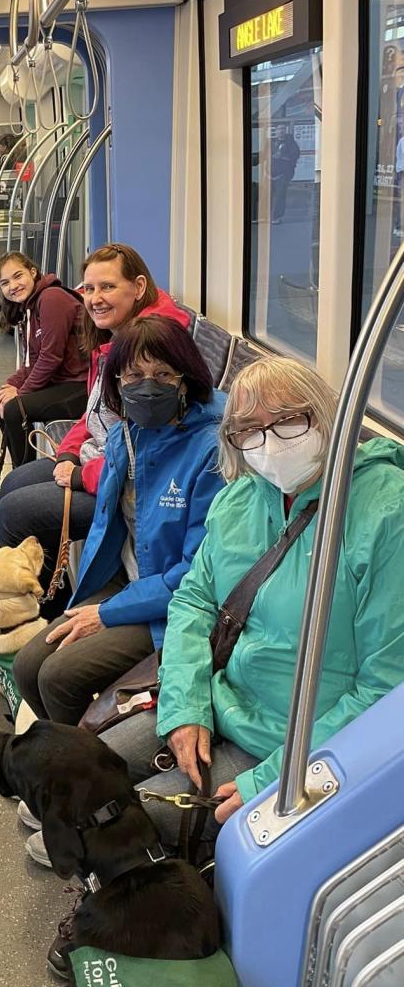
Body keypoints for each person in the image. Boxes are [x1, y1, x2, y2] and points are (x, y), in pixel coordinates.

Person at [102, 356, 404, 847]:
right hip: (220, 696)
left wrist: (273, 782)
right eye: (249, 430)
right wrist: (185, 707)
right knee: (94, 763)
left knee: (119, 826)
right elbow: (194, 602)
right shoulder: (241, 496)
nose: (271, 443)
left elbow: (386, 691)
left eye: (288, 420)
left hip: (296, 741)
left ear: (328, 415)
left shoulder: (386, 514)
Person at [13, 316, 224, 732]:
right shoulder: (126, 434)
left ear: (186, 380)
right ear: (117, 381)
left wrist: (107, 612)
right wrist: (86, 598)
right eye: (134, 374)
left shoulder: (211, 452)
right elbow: (110, 526)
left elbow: (197, 573)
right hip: (126, 580)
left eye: (163, 373)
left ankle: (88, 766)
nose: (148, 386)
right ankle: (65, 751)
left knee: (59, 677)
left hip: (175, 601)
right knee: (27, 666)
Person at [0, 243, 190, 603]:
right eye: (89, 288)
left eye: (108, 287)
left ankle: (43, 608)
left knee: (13, 513)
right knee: (14, 483)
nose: (95, 298)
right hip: (98, 456)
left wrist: (83, 474)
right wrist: (68, 453)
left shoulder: (151, 352)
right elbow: (95, 412)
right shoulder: (113, 338)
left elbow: (148, 457)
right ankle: (54, 590)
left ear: (139, 287)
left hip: (127, 485)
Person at [0, 252, 87, 469]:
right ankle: (21, 469)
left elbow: (51, 357)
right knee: (0, 400)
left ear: (33, 272)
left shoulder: (52, 298)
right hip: (62, 383)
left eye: (18, 276)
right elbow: (32, 361)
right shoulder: (30, 309)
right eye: (5, 283)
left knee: (16, 408)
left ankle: (22, 473)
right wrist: (10, 385)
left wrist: (21, 392)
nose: (13, 286)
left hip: (81, 386)